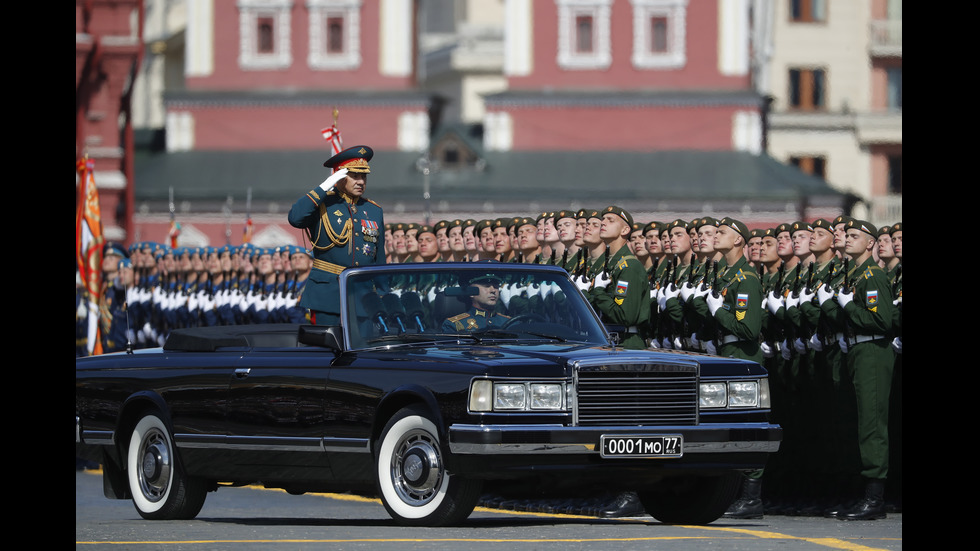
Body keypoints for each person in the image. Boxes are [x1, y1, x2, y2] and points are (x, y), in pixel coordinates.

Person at [828, 219, 895, 520]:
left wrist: (848, 307)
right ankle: (862, 492)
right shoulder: (855, 274)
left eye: (855, 236)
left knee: (872, 422)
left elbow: (881, 321)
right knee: (858, 422)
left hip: (871, 350)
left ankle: (874, 497)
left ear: (870, 243)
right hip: (856, 348)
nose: (848, 239)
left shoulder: (873, 275)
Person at [287, 145, 385, 325]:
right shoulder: (323, 203)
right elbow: (295, 218)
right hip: (327, 294)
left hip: (363, 298)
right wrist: (324, 187)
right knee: (326, 349)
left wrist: (383, 295)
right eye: (354, 176)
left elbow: (379, 258)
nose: (361, 181)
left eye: (363, 176)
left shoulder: (373, 210)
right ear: (338, 177)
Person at [441, 273, 511, 331]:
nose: (493, 290)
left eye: (496, 286)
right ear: (471, 292)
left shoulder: (509, 322)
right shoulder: (455, 325)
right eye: (486, 286)